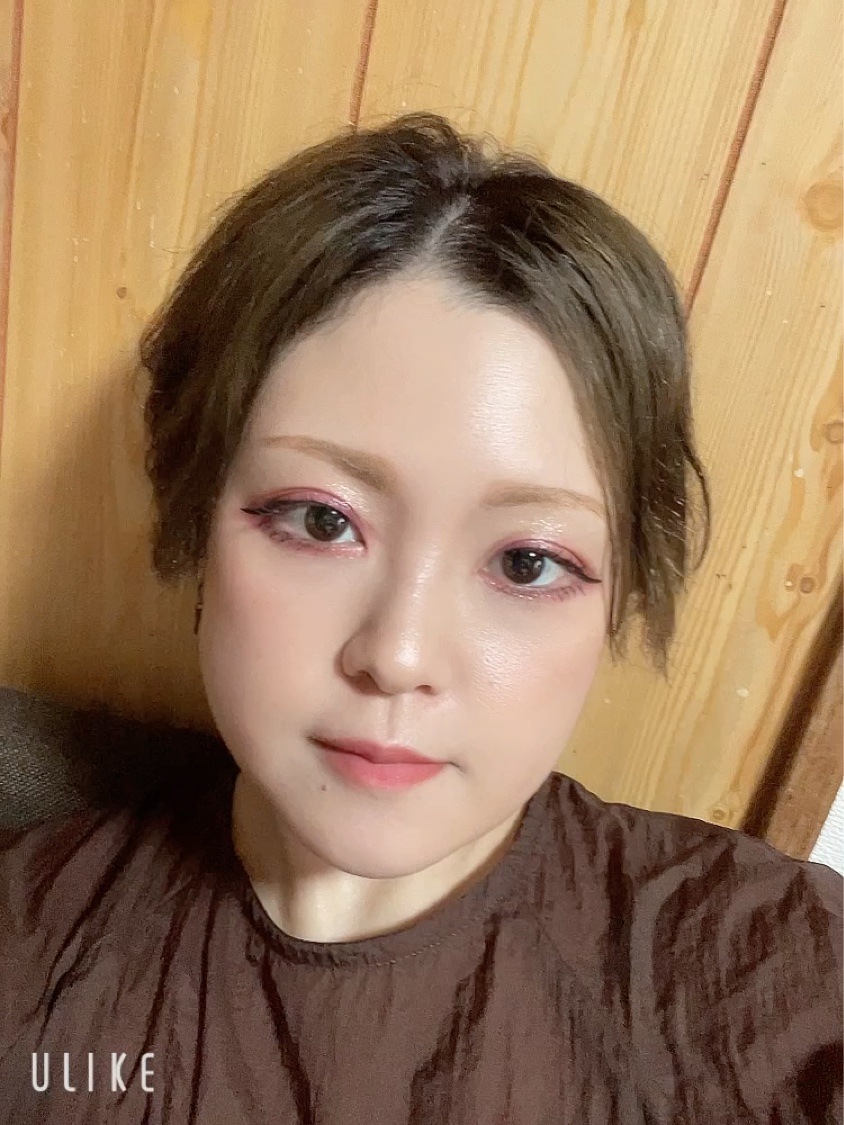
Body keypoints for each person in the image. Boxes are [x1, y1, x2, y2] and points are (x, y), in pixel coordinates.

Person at [0, 112, 840, 1124]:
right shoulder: (29, 960)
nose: (396, 655)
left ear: (620, 595)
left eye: (527, 561)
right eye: (322, 521)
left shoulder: (777, 977)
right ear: (197, 512)